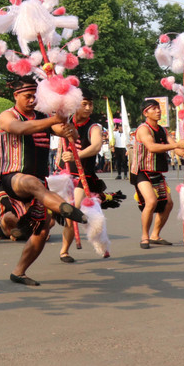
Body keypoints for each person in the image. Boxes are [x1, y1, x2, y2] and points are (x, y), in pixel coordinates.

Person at [0, 78, 87, 286]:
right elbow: (20, 128)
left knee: (42, 231)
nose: (32, 100)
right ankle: (65, 208)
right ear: (16, 95)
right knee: (33, 183)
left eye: (35, 96)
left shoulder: (43, 116)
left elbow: (65, 132)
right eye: (28, 96)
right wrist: (53, 121)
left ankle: (19, 272)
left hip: (39, 182)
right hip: (12, 178)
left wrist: (69, 128)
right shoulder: (6, 116)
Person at [130, 98, 184, 249]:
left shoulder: (163, 130)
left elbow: (174, 148)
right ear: (146, 112)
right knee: (151, 202)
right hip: (142, 171)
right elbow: (152, 147)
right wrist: (176, 145)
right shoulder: (143, 129)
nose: (158, 111)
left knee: (168, 204)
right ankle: (144, 236)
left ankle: (155, 235)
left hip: (157, 172)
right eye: (154, 108)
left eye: (159, 108)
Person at [57, 89, 105, 263]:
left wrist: (76, 155)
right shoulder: (64, 121)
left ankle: (64, 251)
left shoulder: (94, 127)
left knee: (73, 210)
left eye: (90, 104)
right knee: (48, 212)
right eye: (84, 104)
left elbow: (96, 146)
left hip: (83, 176)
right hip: (62, 175)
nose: (88, 108)